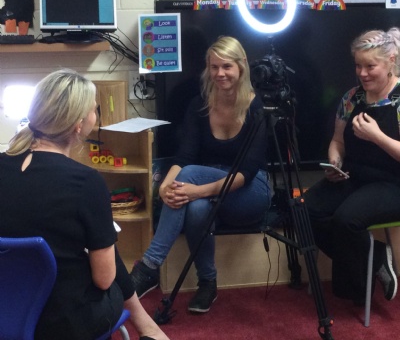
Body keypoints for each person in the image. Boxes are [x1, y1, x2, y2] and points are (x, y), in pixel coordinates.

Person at [0, 69, 170, 340]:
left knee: (101, 239)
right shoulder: (86, 182)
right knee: (106, 248)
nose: (96, 114)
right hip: (63, 323)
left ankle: (148, 326)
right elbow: (104, 280)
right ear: (79, 125)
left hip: (7, 308)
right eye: (95, 109)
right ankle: (148, 327)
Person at [131, 36, 271, 313]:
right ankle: (207, 283)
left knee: (192, 178)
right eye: (214, 67)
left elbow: (246, 172)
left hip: (251, 191)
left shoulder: (258, 109)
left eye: (227, 66)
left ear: (242, 66)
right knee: (195, 208)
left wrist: (195, 190)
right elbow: (184, 157)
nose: (220, 73)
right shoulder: (200, 104)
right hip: (209, 188)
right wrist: (165, 187)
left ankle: (149, 266)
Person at [304, 28, 400, 306]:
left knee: (346, 219)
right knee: (305, 210)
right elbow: (337, 141)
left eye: (370, 66)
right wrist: (335, 162)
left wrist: (377, 136)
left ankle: (358, 286)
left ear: (391, 61)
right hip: (354, 176)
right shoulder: (351, 98)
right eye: (358, 66)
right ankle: (375, 258)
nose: (362, 73)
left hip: (392, 183)